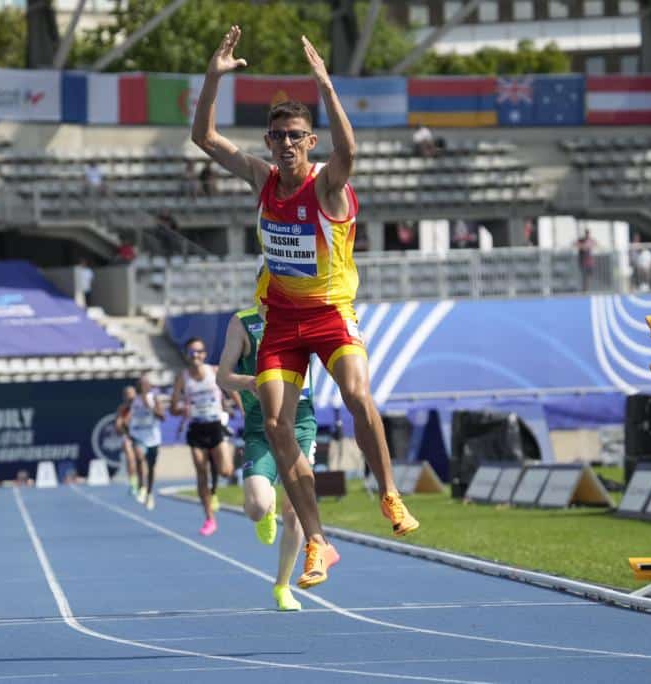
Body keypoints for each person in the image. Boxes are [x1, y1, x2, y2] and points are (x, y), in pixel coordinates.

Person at [191, 26, 419, 589]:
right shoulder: (262, 178)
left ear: (310, 141)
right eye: (277, 136)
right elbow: (205, 137)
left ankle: (389, 493)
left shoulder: (327, 186)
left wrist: (326, 86)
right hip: (282, 322)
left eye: (295, 135)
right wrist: (213, 78)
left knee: (357, 394)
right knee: (275, 424)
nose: (285, 144)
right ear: (269, 142)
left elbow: (350, 152)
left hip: (330, 312)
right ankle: (316, 539)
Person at [217, 302, 316, 611]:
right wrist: (250, 382)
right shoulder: (243, 322)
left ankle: (282, 586)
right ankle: (267, 504)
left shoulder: (303, 313)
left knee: (295, 511)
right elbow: (223, 377)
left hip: (300, 422)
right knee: (256, 508)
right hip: (262, 424)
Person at [171, 336, 234, 536]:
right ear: (187, 355)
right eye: (192, 352)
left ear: (204, 354)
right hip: (196, 428)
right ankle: (209, 519)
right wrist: (182, 409)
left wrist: (242, 411)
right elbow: (172, 408)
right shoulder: (182, 378)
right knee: (200, 470)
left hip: (215, 426)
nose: (195, 355)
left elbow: (233, 392)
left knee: (226, 471)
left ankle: (214, 488)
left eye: (199, 351)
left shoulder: (214, 371)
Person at [128, 374, 166, 510]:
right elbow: (126, 414)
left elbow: (162, 417)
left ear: (149, 387)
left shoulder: (154, 399)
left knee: (151, 467)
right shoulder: (133, 400)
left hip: (152, 437)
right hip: (138, 434)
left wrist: (149, 407)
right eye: (140, 385)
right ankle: (142, 486)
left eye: (144, 384)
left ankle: (149, 493)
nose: (142, 387)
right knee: (139, 458)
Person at [114, 385, 144, 497]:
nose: (130, 397)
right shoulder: (122, 409)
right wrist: (121, 424)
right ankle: (133, 484)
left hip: (141, 436)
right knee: (131, 459)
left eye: (132, 394)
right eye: (127, 394)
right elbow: (118, 426)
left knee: (140, 460)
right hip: (128, 436)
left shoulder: (141, 406)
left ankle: (142, 483)